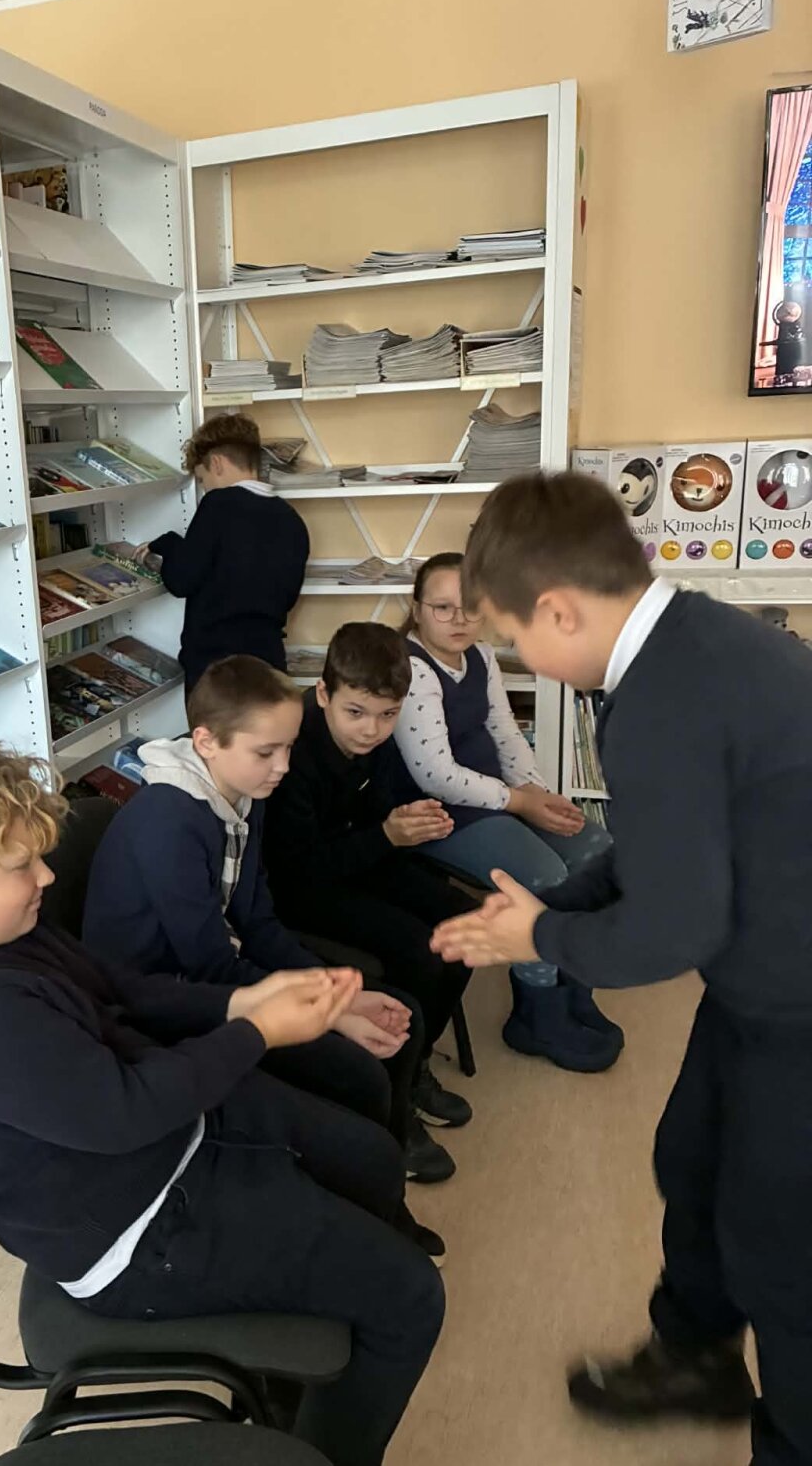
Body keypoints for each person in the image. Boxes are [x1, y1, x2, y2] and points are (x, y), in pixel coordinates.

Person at [0, 741, 444, 1466]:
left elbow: (120, 989)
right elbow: (125, 1113)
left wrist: (247, 1001)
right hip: (134, 1232)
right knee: (412, 1298)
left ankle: (298, 1378)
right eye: (21, 865)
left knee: (372, 1161)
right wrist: (260, 1030)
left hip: (163, 1143)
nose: (46, 875)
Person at [430, 471, 812, 1466]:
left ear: (560, 608)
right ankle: (695, 1354)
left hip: (797, 1004)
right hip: (760, 979)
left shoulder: (663, 701)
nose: (525, 661)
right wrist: (553, 908)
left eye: (516, 638)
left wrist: (539, 943)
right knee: (694, 1159)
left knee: (787, 1254)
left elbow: (674, 928)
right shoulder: (688, 645)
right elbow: (659, 860)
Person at [82, 655, 429, 1170]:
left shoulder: (246, 793)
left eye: (289, 747)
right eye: (266, 751)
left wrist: (337, 992)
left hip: (217, 972)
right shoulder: (169, 821)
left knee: (402, 1014)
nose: (283, 766)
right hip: (159, 1004)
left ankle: (389, 1156)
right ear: (206, 742)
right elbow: (209, 966)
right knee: (355, 1068)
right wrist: (329, 1009)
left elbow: (258, 922)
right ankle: (370, 1172)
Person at [261, 622, 477, 1185]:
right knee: (419, 952)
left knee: (464, 924)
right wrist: (386, 834)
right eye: (356, 712)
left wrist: (402, 820)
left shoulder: (373, 740)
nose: (372, 729)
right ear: (323, 693)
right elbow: (298, 870)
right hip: (301, 889)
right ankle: (393, 1100)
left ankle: (417, 1062)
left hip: (356, 859)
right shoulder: (292, 752)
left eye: (387, 715)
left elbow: (373, 808)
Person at [394, 551, 623, 1072]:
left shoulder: (479, 655)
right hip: (441, 815)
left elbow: (504, 733)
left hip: (498, 796)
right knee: (543, 876)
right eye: (442, 607)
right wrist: (520, 802)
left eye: (471, 607)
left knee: (596, 851)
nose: (459, 619)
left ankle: (573, 983)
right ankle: (535, 1014)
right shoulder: (411, 667)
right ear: (417, 608)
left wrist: (537, 793)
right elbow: (435, 775)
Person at [142, 413, 309, 694]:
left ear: (217, 463)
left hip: (216, 669)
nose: (204, 487)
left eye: (202, 478)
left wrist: (168, 543)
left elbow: (181, 580)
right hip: (269, 661)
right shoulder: (291, 518)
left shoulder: (218, 504)